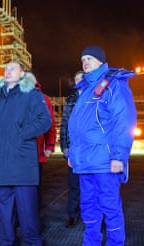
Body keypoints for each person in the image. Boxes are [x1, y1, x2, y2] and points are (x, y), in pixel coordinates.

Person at [65, 46, 137, 246]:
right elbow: (78, 127)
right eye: (82, 59)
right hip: (85, 160)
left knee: (109, 206)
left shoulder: (114, 84)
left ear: (101, 61)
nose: (85, 62)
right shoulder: (85, 88)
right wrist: (73, 154)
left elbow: (123, 121)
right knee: (88, 206)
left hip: (105, 161)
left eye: (89, 58)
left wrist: (118, 156)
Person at [0, 61, 52, 246]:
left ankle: (35, 244)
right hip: (2, 160)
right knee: (4, 206)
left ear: (23, 73)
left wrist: (23, 134)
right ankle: (8, 241)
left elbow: (45, 120)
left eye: (12, 68)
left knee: (27, 207)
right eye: (5, 69)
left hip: (22, 159)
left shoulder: (32, 95)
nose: (7, 71)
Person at [59, 70, 83, 228]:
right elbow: (64, 124)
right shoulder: (71, 100)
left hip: (91, 149)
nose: (78, 81)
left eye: (81, 78)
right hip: (74, 149)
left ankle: (95, 217)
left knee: (93, 185)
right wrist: (65, 147)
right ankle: (73, 215)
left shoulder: (96, 96)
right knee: (74, 185)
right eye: (76, 79)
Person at [35, 81, 56, 205]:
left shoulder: (43, 99)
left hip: (37, 152)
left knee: (35, 185)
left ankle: (33, 213)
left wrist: (49, 146)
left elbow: (50, 124)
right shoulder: (16, 97)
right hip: (18, 152)